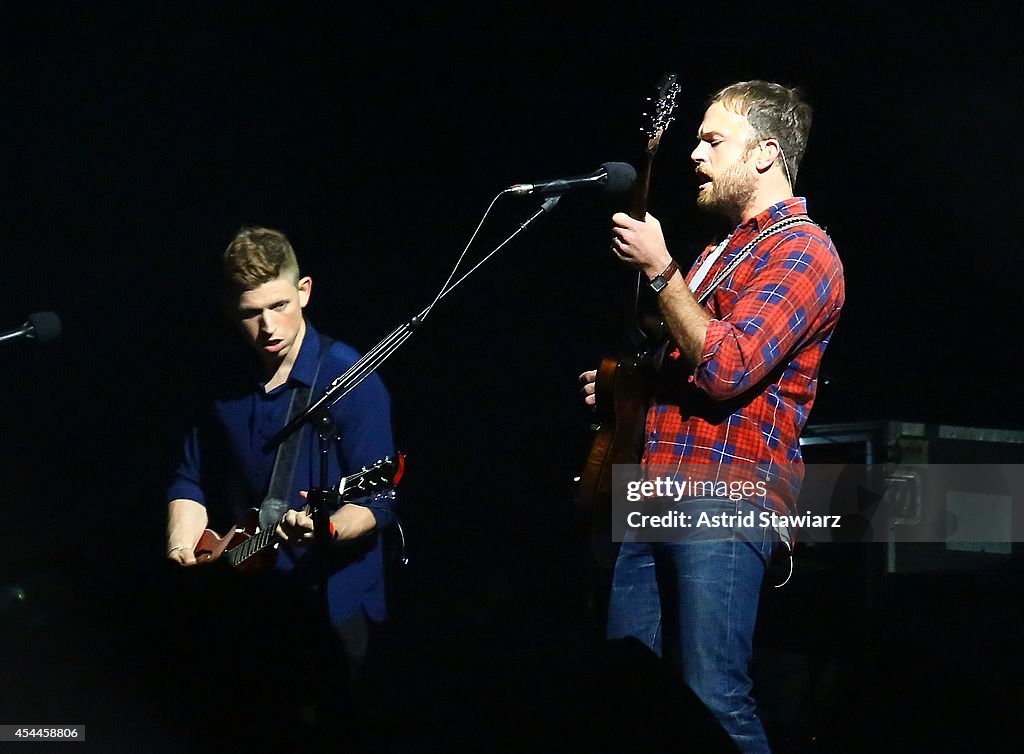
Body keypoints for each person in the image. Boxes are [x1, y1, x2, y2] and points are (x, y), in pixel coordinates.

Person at [579, 81, 844, 753]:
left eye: (712, 140)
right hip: (655, 493)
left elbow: (728, 368)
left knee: (711, 697)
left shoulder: (804, 252)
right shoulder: (718, 250)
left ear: (766, 153)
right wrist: (624, 387)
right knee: (629, 698)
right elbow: (686, 363)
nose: (695, 154)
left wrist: (664, 270)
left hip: (723, 497)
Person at [164, 226, 397, 735]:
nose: (269, 325)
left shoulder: (350, 379)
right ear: (231, 310)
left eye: (280, 305)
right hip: (249, 590)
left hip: (334, 601)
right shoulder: (221, 381)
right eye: (252, 313)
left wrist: (328, 529)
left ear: (305, 290)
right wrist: (183, 539)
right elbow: (191, 478)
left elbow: (377, 501)